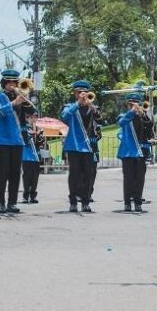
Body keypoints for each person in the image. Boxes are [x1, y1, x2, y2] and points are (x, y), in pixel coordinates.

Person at [0, 69, 29, 213]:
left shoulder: (20, 97)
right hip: (2, 140)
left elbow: (33, 112)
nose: (12, 85)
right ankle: (1, 202)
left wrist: (26, 100)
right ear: (4, 83)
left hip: (17, 141)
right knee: (2, 172)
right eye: (9, 82)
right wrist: (14, 103)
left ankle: (12, 203)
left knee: (15, 173)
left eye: (14, 82)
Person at [61, 80, 99, 212]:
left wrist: (91, 106)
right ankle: (73, 201)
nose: (82, 95)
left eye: (85, 92)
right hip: (74, 145)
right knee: (74, 174)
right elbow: (64, 117)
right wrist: (77, 104)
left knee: (88, 175)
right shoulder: (69, 107)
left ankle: (85, 201)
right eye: (79, 92)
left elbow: (100, 120)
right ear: (75, 93)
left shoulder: (91, 107)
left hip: (88, 146)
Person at [117, 93, 149, 212]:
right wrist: (132, 112)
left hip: (141, 151)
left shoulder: (143, 116)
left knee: (140, 178)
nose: (133, 106)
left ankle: (138, 202)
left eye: (136, 104)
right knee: (128, 178)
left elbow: (150, 129)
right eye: (131, 104)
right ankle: (127, 202)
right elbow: (121, 123)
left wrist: (144, 116)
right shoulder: (123, 115)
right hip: (128, 152)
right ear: (128, 104)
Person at [21, 112, 43, 204]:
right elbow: (24, 139)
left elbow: (40, 143)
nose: (34, 119)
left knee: (35, 177)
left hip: (36, 156)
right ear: (28, 118)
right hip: (27, 156)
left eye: (36, 117)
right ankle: (26, 196)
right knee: (27, 176)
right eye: (32, 117)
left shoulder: (38, 128)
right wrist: (31, 133)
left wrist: (39, 134)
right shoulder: (25, 128)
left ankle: (33, 195)